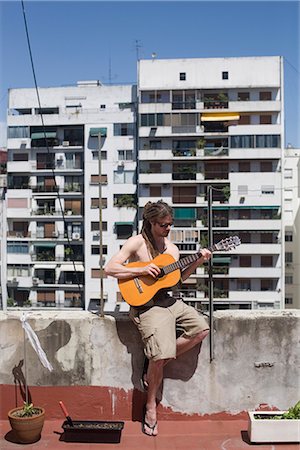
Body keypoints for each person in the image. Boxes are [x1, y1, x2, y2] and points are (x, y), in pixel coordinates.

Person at [104, 200, 211, 436]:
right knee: (160, 355)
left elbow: (178, 279)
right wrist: (141, 270)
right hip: (146, 307)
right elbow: (110, 269)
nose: (168, 229)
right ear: (152, 223)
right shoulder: (137, 242)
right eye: (163, 225)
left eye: (170, 225)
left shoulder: (172, 250)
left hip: (168, 301)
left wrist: (198, 261)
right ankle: (150, 407)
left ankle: (156, 360)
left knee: (201, 329)